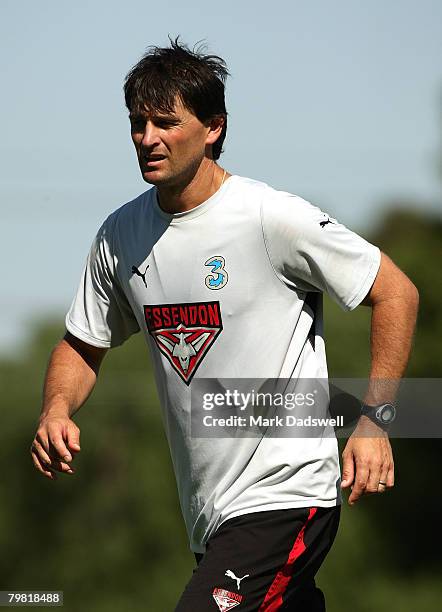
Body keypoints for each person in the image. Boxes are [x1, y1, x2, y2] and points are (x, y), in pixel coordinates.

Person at [30, 38, 419, 611]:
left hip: (286, 493)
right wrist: (56, 409)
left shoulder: (270, 217)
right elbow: (82, 344)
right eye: (137, 123)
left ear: (213, 127)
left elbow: (396, 292)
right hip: (212, 515)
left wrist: (376, 421)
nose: (147, 138)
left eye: (166, 122)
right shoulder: (121, 235)